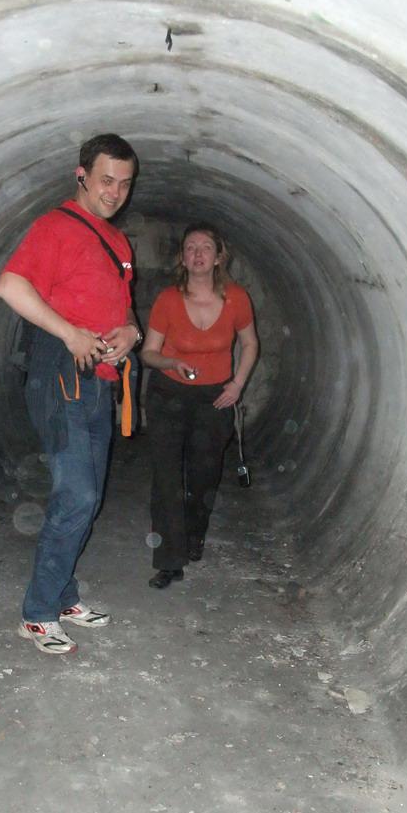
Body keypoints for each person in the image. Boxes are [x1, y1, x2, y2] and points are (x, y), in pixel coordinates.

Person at [0, 133, 143, 653]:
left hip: (100, 380)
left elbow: (122, 306)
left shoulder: (118, 242)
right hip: (61, 373)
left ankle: (63, 596)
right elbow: (10, 286)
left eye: (124, 183)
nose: (115, 192)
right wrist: (70, 333)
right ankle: (38, 613)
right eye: (106, 180)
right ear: (81, 175)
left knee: (89, 496)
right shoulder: (54, 227)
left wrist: (132, 332)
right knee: (76, 494)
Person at [141, 223, 258, 588]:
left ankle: (194, 535)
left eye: (206, 247)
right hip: (168, 395)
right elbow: (148, 352)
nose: (198, 254)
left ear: (219, 256)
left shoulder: (236, 298)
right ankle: (169, 560)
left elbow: (250, 343)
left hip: (214, 398)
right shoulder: (168, 300)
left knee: (204, 474)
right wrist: (172, 362)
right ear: (182, 257)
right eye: (191, 247)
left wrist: (237, 384)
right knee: (167, 478)